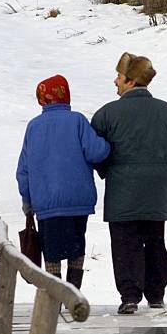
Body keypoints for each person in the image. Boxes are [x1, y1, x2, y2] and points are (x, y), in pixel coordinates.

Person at [91, 53, 167, 314]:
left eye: (120, 77)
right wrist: (164, 169)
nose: (115, 81)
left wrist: (106, 170)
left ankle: (130, 295)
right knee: (155, 241)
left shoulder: (106, 114)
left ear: (131, 81)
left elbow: (94, 150)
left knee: (125, 243)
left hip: (122, 192)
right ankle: (156, 294)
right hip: (157, 191)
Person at [16, 74, 110, 289]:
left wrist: (27, 201)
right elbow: (96, 152)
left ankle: (54, 297)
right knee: (77, 247)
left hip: (46, 204)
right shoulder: (77, 120)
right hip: (78, 201)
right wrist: (108, 144)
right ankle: (74, 292)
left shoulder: (33, 127)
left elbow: (24, 170)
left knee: (51, 250)